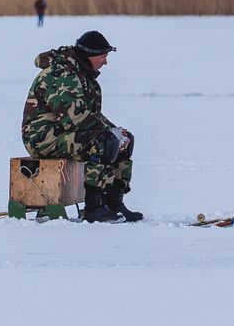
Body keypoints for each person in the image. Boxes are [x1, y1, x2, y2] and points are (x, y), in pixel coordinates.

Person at [21, 30, 143, 223]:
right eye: (103, 57)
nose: (105, 62)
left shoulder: (80, 73)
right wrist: (110, 133)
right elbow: (76, 119)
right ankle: (94, 206)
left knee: (125, 140)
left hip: (65, 133)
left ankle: (113, 202)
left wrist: (118, 132)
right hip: (44, 139)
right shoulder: (62, 75)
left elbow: (91, 115)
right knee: (105, 142)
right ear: (89, 55)